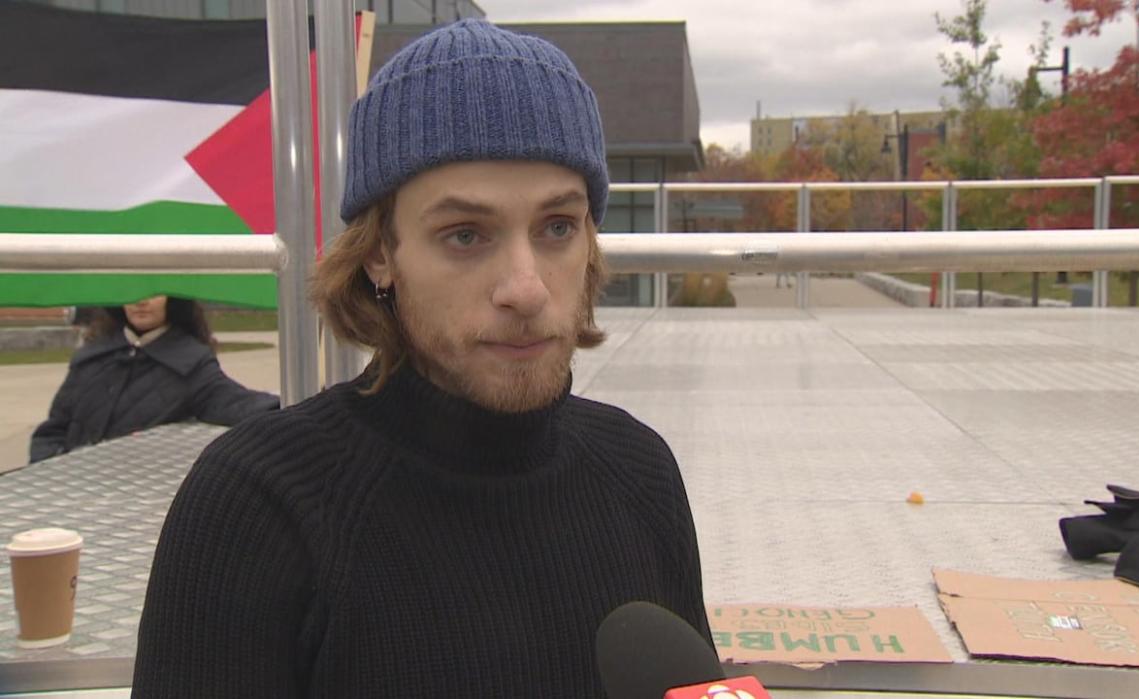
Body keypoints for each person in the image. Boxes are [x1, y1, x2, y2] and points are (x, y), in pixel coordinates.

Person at [132, 19, 712, 698]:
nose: (525, 287)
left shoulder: (641, 472)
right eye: (465, 234)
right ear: (381, 253)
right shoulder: (256, 506)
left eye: (558, 226)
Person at [28, 295, 278, 463]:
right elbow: (51, 432)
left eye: (154, 291)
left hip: (129, 500)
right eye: (131, 291)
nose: (141, 301)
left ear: (173, 299)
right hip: (68, 495)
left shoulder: (191, 364)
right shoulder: (92, 357)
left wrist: (300, 404)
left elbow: (238, 404)